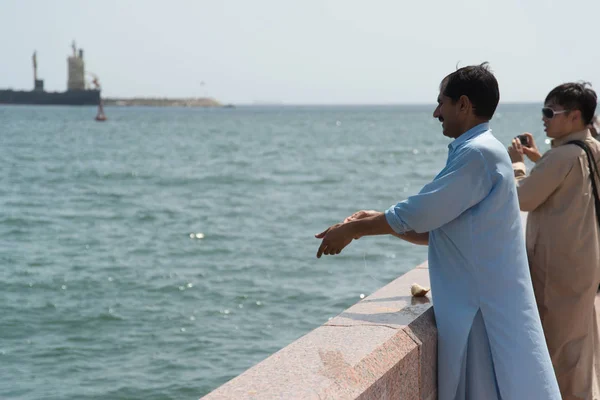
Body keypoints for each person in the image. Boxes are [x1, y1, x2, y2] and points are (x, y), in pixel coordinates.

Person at [315, 63, 560, 400]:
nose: (436, 112)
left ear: (463, 104)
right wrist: (374, 222)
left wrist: (356, 229)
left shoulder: (478, 154)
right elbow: (440, 229)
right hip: (482, 303)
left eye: (441, 102)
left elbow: (422, 212)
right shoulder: (481, 150)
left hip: (480, 309)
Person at [508, 82, 600, 400]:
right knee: (579, 350)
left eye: (550, 112)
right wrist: (539, 159)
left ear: (574, 116)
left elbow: (522, 198)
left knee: (558, 354)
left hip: (559, 270)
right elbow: (564, 178)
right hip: (583, 265)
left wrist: (517, 164)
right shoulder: (590, 148)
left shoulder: (561, 157)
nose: (544, 118)